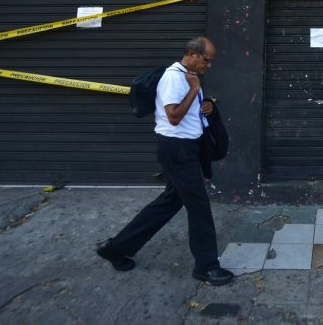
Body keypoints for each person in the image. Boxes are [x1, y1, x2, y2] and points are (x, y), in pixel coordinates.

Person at [96, 36, 234, 286]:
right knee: (199, 207)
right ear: (192, 54)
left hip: (185, 148)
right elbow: (173, 116)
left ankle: (116, 248)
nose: (208, 66)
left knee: (170, 202)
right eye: (207, 60)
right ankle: (207, 266)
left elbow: (189, 109)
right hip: (177, 150)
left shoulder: (188, 76)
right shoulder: (174, 77)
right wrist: (194, 90)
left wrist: (207, 105)